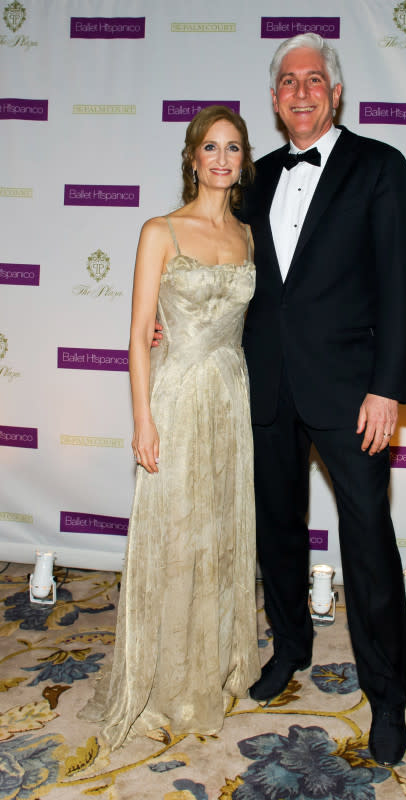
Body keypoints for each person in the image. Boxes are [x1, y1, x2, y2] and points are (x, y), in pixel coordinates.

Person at [240, 33, 406, 767]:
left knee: (367, 543)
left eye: (314, 79)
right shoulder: (251, 179)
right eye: (288, 81)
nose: (301, 91)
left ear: (336, 92)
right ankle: (289, 650)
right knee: (276, 531)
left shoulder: (379, 167)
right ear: (276, 98)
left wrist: (387, 388)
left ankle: (386, 697)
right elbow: (221, 268)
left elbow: (400, 284)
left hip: (352, 392)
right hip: (265, 386)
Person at [81, 105, 260, 749]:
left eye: (233, 148)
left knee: (220, 529)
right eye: (210, 147)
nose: (220, 159)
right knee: (176, 529)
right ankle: (163, 676)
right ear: (192, 157)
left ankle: (209, 667)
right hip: (178, 397)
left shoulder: (246, 234)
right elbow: (135, 334)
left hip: (230, 397)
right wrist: (142, 419)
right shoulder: (161, 230)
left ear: (243, 161)